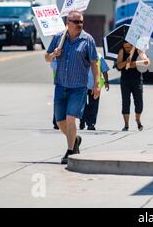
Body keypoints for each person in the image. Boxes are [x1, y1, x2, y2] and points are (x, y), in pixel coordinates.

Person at [45, 11, 100, 164]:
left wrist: (96, 84)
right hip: (61, 86)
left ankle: (70, 152)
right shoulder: (58, 38)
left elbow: (94, 63)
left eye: (81, 21)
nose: (79, 25)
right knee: (60, 122)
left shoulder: (87, 40)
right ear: (67, 23)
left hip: (78, 87)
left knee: (70, 119)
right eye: (76, 22)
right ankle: (75, 140)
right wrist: (53, 54)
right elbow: (46, 57)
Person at [116, 41, 150, 131]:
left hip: (137, 79)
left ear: (133, 45)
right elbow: (118, 66)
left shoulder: (138, 50)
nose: (127, 49)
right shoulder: (121, 51)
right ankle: (126, 124)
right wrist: (125, 62)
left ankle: (138, 120)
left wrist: (135, 63)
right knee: (125, 102)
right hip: (125, 80)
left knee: (139, 102)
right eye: (125, 47)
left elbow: (147, 62)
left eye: (129, 47)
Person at [80, 53, 110, 131]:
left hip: (95, 85)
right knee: (82, 104)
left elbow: (104, 70)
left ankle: (91, 124)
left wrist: (106, 82)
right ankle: (82, 119)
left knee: (94, 105)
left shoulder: (99, 56)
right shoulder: (80, 54)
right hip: (81, 84)